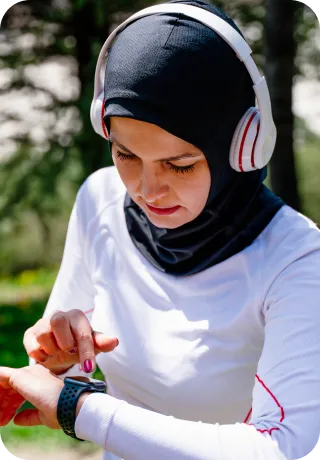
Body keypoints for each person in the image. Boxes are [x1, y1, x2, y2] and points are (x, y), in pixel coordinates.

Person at [1, 1, 320, 459]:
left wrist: (83, 410)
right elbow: (65, 378)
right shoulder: (99, 199)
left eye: (180, 164)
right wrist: (58, 362)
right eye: (126, 154)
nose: (147, 190)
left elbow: (280, 449)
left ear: (244, 144)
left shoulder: (296, 261)